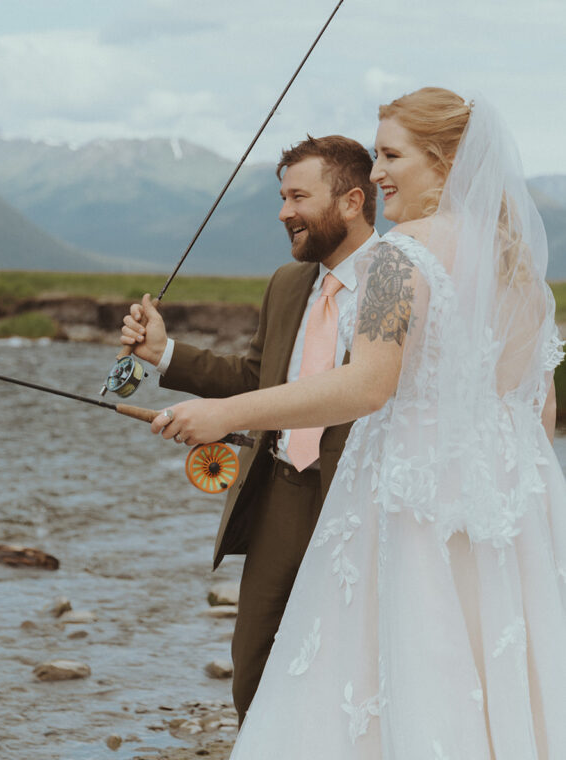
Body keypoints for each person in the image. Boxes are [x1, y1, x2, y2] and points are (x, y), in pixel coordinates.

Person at [152, 88, 566, 758]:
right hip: (509, 505)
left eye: (389, 154)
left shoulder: (400, 256)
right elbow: (537, 410)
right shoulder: (518, 269)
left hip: (407, 499)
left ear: (448, 160)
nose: (374, 174)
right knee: (495, 673)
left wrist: (223, 413)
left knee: (391, 665)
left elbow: (365, 385)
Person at [120, 134, 379, 722]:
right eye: (281, 196)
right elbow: (254, 377)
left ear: (352, 201)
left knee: (360, 666)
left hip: (365, 499)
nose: (284, 212)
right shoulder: (287, 284)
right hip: (281, 494)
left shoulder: (400, 280)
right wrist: (164, 353)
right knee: (255, 668)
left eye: (297, 196)